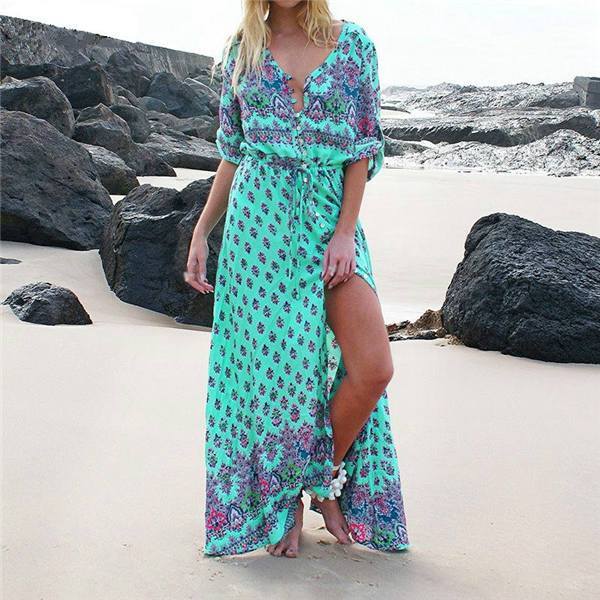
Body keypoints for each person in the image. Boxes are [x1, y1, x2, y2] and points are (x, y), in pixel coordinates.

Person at [185, 0, 410, 558]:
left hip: (330, 221)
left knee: (373, 367)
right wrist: (201, 231)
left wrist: (344, 232)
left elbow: (362, 147)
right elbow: (233, 153)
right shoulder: (242, 51)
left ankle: (322, 478)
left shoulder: (352, 44)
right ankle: (285, 502)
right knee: (278, 384)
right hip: (258, 232)